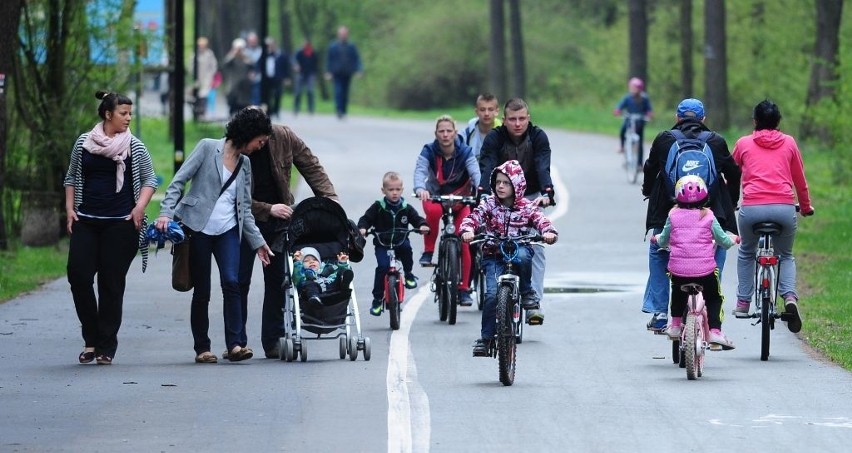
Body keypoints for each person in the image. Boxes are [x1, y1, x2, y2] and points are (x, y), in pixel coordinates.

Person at [156, 107, 273, 364]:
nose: (260, 146)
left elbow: (245, 209)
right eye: (260, 140)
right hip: (198, 229)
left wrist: (258, 243)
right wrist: (165, 213)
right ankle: (202, 348)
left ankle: (235, 345)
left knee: (232, 282)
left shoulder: (245, 164)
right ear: (249, 133)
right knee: (203, 290)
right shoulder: (208, 147)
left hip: (228, 230)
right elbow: (179, 181)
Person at [64, 91, 158, 365]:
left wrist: (139, 207)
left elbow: (150, 179)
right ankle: (91, 338)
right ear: (108, 114)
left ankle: (105, 346)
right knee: (78, 275)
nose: (128, 118)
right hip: (86, 221)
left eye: (130, 113)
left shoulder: (135, 146)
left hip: (121, 225)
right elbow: (71, 177)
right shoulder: (84, 143)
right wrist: (70, 209)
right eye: (123, 113)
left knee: (110, 284)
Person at [238, 122, 337, 359]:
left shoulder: (283, 136)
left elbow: (311, 166)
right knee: (238, 281)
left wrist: (330, 201)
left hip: (279, 221)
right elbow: (233, 197)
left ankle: (273, 340)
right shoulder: (236, 146)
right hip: (244, 219)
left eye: (264, 138)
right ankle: (237, 342)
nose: (261, 144)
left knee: (277, 281)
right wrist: (268, 209)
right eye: (258, 140)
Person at [640, 98, 741, 332]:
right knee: (716, 250)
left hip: (669, 212)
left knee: (659, 250)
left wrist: (647, 190)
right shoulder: (716, 141)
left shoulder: (664, 139)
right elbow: (734, 173)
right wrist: (732, 202)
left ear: (677, 118)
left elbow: (650, 168)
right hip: (710, 213)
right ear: (703, 119)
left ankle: (659, 312)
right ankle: (709, 304)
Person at [731, 99, 814, 333]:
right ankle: (788, 297)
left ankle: (743, 302)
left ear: (755, 121)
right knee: (785, 255)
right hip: (784, 209)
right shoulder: (789, 143)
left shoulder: (743, 143)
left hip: (752, 209)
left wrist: (729, 203)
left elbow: (730, 174)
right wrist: (805, 207)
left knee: (747, 251)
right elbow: (800, 181)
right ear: (778, 122)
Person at [461, 160, 558, 356]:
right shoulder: (488, 203)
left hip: (518, 249)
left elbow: (541, 221)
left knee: (524, 256)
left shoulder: (527, 206)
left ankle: (527, 292)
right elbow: (474, 217)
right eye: (497, 182)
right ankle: (486, 338)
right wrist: (468, 229)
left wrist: (549, 232)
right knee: (490, 296)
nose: (500, 186)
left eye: (506, 182)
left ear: (517, 185)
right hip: (494, 255)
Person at [478, 98, 555, 321]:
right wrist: (484, 191)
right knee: (489, 239)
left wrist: (547, 192)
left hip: (529, 197)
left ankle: (534, 303)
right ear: (504, 120)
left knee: (535, 246)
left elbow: (543, 165)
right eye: (512, 119)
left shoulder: (538, 136)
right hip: (498, 196)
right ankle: (490, 284)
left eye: (522, 118)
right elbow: (488, 163)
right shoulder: (495, 137)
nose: (518, 123)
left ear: (528, 119)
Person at [651, 175, 739, 349]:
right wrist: (734, 239)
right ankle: (715, 331)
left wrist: (657, 239)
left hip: (679, 271)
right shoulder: (709, 216)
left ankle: (675, 325)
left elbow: (663, 241)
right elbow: (723, 241)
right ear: (706, 196)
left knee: (677, 292)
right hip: (705, 272)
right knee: (714, 298)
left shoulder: (673, 215)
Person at [413, 115, 481, 306]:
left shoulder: (465, 151)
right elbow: (420, 170)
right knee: (433, 213)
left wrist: (481, 190)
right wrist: (420, 188)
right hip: (435, 197)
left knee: (465, 239)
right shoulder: (428, 150)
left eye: (448, 131)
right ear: (436, 134)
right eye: (441, 131)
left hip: (461, 200)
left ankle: (464, 289)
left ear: (455, 133)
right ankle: (428, 251)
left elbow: (475, 173)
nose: (445, 135)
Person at [357, 171, 430, 316]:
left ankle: (408, 274)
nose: (394, 193)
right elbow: (366, 218)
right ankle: (377, 299)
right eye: (390, 190)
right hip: (382, 243)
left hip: (400, 241)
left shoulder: (405, 207)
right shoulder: (378, 206)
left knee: (407, 249)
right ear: (383, 190)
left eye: (397, 189)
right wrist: (363, 228)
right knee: (382, 268)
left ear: (402, 190)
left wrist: (422, 225)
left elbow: (416, 218)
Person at [614, 77, 654, 168]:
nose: (632, 89)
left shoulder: (644, 98)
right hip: (629, 119)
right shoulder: (628, 97)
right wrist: (618, 110)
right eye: (631, 87)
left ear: (639, 89)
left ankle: (639, 164)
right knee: (623, 130)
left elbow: (649, 109)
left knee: (639, 143)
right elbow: (621, 105)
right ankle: (622, 146)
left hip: (640, 122)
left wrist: (649, 114)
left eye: (634, 88)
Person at [325, 25, 363, 119]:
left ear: (347, 35)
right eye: (341, 34)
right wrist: (328, 72)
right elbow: (329, 60)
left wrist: (359, 70)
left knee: (345, 92)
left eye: (345, 34)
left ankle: (344, 110)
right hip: (336, 73)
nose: (343, 35)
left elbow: (356, 59)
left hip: (347, 73)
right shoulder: (333, 46)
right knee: (338, 91)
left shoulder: (351, 46)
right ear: (338, 34)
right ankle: (339, 110)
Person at [461, 92, 501, 160]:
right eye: (482, 110)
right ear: (476, 112)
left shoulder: (503, 134)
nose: (486, 114)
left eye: (490, 109)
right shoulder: (466, 134)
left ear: (497, 111)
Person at [222, 37, 254, 116]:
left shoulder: (246, 57)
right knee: (232, 98)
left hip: (244, 84)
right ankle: (232, 113)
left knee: (243, 101)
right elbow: (225, 64)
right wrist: (233, 54)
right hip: (233, 82)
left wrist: (244, 58)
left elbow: (252, 65)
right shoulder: (232, 57)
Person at [261, 37, 291, 119]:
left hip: (278, 78)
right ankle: (268, 111)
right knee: (267, 95)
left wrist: (287, 77)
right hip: (267, 78)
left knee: (278, 94)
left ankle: (276, 111)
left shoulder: (281, 55)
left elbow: (286, 67)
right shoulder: (264, 55)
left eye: (271, 45)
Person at [192, 36, 218, 120]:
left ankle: (203, 111)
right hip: (197, 78)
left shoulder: (209, 54)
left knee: (204, 95)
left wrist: (211, 75)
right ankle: (197, 111)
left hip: (206, 78)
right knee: (197, 95)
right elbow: (191, 65)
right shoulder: (195, 54)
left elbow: (214, 65)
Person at [293, 39, 319, 115]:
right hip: (300, 73)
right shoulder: (299, 52)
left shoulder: (313, 53)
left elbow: (316, 64)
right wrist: (296, 66)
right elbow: (294, 61)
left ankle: (311, 109)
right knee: (298, 92)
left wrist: (315, 74)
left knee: (310, 91)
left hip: (310, 74)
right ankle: (296, 108)